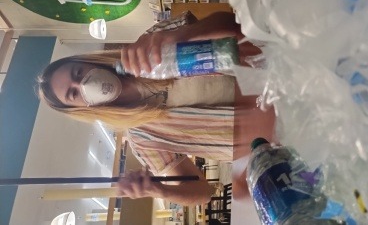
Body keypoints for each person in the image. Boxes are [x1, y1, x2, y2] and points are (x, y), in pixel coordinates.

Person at [38, 11, 276, 206]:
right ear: (81, 109)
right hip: (275, 140)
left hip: (281, 67)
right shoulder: (141, 138)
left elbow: (231, 22)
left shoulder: (149, 45)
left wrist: (184, 34)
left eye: (77, 73)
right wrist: (157, 189)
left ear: (86, 62)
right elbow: (202, 192)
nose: (83, 84)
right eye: (74, 93)